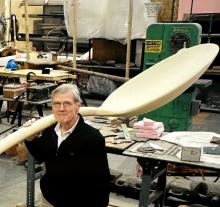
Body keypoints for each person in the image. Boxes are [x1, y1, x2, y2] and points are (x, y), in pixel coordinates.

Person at [24, 83, 110, 207]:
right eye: (57, 104)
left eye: (67, 103)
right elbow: (41, 155)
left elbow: (101, 182)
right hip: (49, 199)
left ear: (77, 106)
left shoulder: (92, 138)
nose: (61, 108)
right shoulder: (50, 130)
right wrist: (31, 138)